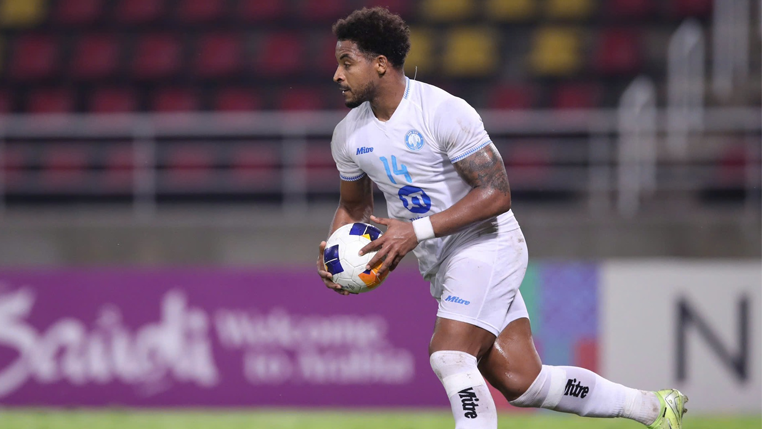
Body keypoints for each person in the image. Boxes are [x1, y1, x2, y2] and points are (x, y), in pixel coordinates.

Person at [316, 7, 687, 429]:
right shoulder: (348, 135)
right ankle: (654, 408)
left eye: (347, 62)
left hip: (486, 243)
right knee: (523, 382)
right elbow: (353, 207)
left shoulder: (442, 112)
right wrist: (336, 256)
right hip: (440, 260)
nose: (337, 74)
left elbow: (497, 193)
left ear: (381, 64)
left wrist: (414, 231)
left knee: (450, 355)